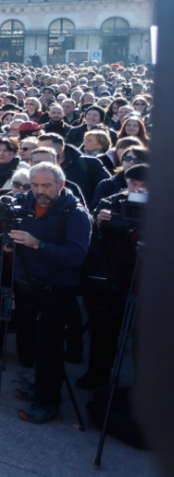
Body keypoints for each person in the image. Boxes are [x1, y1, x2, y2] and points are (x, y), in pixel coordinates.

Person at [7, 162, 91, 425]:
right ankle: (42, 386)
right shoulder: (24, 203)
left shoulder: (75, 215)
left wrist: (38, 244)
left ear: (61, 185)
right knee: (32, 341)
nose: (40, 191)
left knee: (50, 348)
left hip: (55, 289)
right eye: (35, 185)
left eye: (46, 185)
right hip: (25, 283)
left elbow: (76, 256)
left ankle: (48, 401)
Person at [78, 163, 145, 390]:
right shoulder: (113, 201)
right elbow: (90, 237)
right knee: (103, 332)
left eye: (144, 185)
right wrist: (99, 220)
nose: (137, 189)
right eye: (133, 183)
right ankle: (97, 375)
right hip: (112, 278)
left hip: (145, 283)